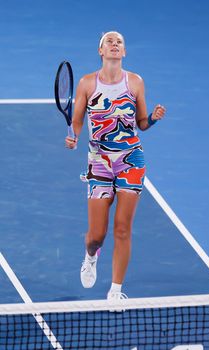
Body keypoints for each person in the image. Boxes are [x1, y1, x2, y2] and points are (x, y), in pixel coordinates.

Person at [65, 31, 166, 301]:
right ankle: (90, 255)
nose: (114, 44)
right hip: (98, 163)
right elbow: (77, 120)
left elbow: (142, 123)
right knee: (96, 235)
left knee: (122, 228)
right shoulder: (87, 83)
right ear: (101, 51)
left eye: (119, 42)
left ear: (124, 52)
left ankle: (116, 290)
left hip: (130, 160)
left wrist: (153, 119)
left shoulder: (135, 82)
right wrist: (74, 136)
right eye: (109, 41)